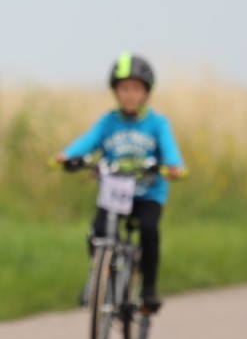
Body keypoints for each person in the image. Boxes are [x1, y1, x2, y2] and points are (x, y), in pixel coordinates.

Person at [56, 54, 185, 312]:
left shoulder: (157, 123)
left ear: (146, 93)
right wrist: (68, 155)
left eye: (136, 89)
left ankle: (148, 289)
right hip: (115, 193)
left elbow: (170, 150)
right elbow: (88, 141)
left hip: (149, 194)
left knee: (149, 230)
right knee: (97, 232)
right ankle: (99, 280)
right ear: (115, 91)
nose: (130, 95)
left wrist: (174, 166)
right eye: (124, 88)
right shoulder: (108, 122)